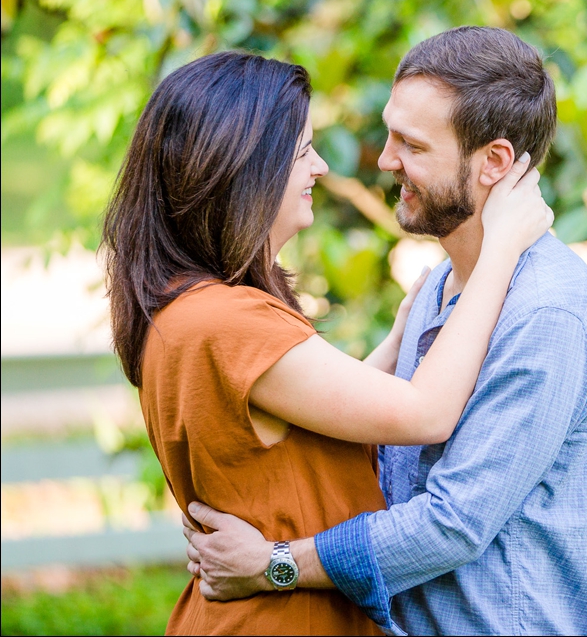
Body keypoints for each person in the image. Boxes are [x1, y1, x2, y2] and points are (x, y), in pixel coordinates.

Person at [183, 27, 587, 636]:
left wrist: (274, 565)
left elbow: (451, 524)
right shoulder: (440, 287)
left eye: (412, 145)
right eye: (391, 134)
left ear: (493, 162)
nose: (385, 160)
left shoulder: (548, 315)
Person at [102, 50, 552, 635]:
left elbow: (301, 430)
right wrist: (501, 249)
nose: (318, 168)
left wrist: (395, 341)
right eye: (299, 153)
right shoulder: (226, 322)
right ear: (242, 172)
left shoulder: (191, 310)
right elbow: (428, 413)